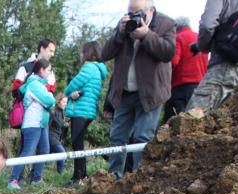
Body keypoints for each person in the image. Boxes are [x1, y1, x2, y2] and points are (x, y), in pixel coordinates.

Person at [101, 0, 176, 177]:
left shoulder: (167, 24)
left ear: (151, 10)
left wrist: (147, 35)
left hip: (151, 93)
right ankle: (112, 179)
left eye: (138, 13)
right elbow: (104, 53)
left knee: (143, 138)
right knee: (117, 138)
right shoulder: (124, 24)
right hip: (124, 93)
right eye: (130, 12)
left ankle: (139, 180)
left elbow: (168, 52)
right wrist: (119, 34)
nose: (134, 17)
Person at [188, 0, 238, 112]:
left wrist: (203, 47)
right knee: (230, 121)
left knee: (193, 117)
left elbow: (207, 25)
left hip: (225, 62)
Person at [64, 41, 110, 184]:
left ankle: (79, 177)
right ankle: (80, 175)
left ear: (88, 53)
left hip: (81, 110)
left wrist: (68, 93)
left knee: (77, 144)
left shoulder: (89, 67)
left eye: (82, 51)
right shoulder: (98, 70)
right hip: (88, 110)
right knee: (79, 143)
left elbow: (72, 86)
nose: (80, 55)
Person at [7, 59, 55, 190]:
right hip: (32, 123)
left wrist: (49, 96)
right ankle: (13, 180)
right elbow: (49, 101)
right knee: (27, 152)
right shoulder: (34, 84)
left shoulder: (40, 84)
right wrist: (50, 95)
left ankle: (36, 179)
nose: (51, 73)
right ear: (41, 70)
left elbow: (47, 101)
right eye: (49, 70)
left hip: (41, 123)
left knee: (44, 150)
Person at [163, 17, 208, 122]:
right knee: (194, 120)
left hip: (180, 86)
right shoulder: (199, 38)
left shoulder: (178, 38)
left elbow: (173, 62)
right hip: (199, 85)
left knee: (174, 120)